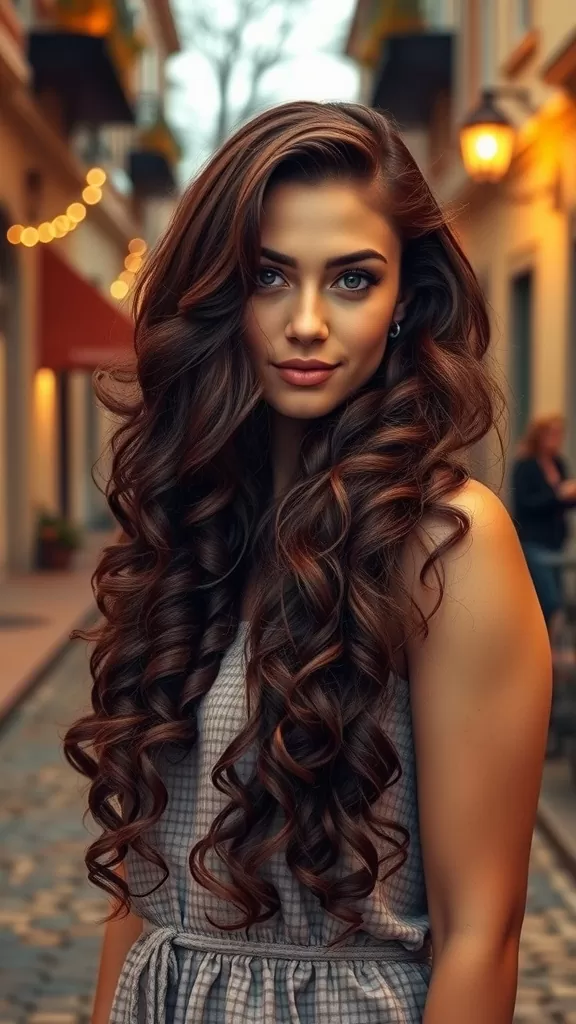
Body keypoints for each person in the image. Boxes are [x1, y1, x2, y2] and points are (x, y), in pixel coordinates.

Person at [64, 102, 551, 1024]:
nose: (308, 322)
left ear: (406, 298)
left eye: (354, 279)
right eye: (270, 276)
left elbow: (481, 935)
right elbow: (136, 896)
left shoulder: (447, 542)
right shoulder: (194, 534)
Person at [511, 415, 576, 637]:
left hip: (556, 541)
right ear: (539, 436)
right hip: (534, 541)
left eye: (560, 434)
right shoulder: (525, 466)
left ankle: (548, 646)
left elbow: (561, 504)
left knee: (556, 598)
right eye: (552, 433)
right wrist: (558, 494)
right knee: (549, 601)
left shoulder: (558, 463)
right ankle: (540, 646)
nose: (557, 439)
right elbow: (525, 504)